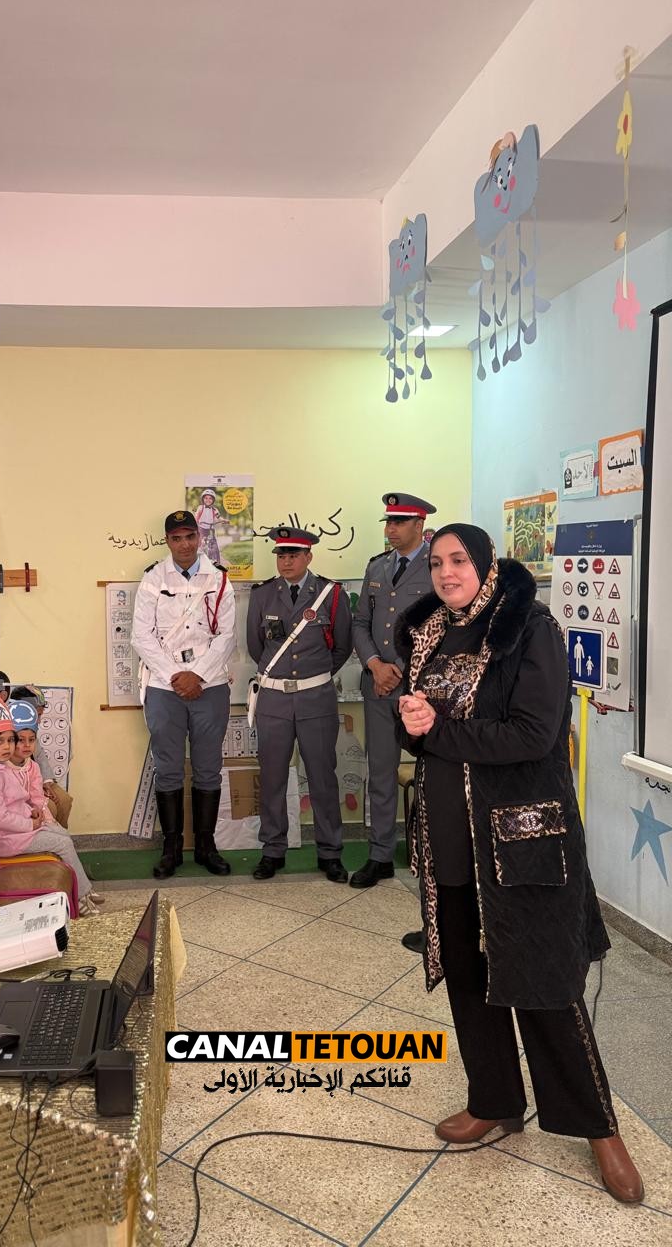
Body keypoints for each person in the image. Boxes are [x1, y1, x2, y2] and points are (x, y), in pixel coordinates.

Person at [396, 522, 642, 1203]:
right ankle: (494, 1101)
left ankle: (600, 1130)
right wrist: (410, 722)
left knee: (544, 983)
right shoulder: (430, 635)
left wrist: (438, 733)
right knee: (469, 977)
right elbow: (420, 726)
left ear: (485, 564)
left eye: (459, 561)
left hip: (519, 838)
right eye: (437, 563)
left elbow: (535, 734)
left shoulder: (530, 629)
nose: (446, 573)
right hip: (448, 835)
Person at [131, 508, 236, 878]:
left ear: (199, 537)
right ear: (168, 541)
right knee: (168, 769)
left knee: (208, 768)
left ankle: (206, 847)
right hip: (164, 686)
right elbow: (140, 636)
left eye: (190, 536)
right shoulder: (152, 579)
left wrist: (198, 676)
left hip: (210, 685)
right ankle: (171, 848)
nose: (185, 544)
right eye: (177, 538)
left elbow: (227, 636)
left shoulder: (219, 579)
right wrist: (177, 675)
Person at [246, 526, 352, 881]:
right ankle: (272, 850)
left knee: (322, 778)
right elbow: (256, 646)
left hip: (315, 699)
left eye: (293, 555)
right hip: (274, 700)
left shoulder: (330, 594)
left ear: (309, 557)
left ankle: (330, 852)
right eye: (281, 555)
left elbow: (342, 647)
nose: (286, 561)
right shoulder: (262, 595)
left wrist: (312, 675)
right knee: (272, 777)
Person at [350, 491, 437, 892]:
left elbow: (441, 627)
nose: (391, 529)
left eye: (399, 522)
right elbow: (360, 623)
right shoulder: (377, 566)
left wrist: (399, 668)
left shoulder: (437, 566)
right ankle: (381, 855)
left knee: (435, 773)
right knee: (381, 773)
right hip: (379, 687)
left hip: (421, 689)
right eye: (388, 522)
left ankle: (435, 852)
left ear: (419, 524)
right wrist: (374, 665)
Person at [0, 697, 101, 915]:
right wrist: (30, 824)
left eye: (10, 740)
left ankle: (81, 889)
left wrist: (32, 812)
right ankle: (81, 896)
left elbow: (16, 802)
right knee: (63, 843)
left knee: (62, 834)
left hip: (16, 831)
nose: (7, 747)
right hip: (5, 840)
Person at [9, 683, 74, 826]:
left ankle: (57, 834)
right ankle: (45, 833)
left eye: (40, 715)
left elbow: (40, 757)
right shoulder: (5, 736)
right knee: (50, 808)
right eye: (37, 715)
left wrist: (46, 782)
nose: (38, 721)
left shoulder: (31, 732)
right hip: (20, 787)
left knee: (64, 800)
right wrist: (36, 789)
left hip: (37, 779)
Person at [194, 487, 222, 563]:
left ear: (213, 500)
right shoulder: (200, 507)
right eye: (206, 498)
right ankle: (198, 558)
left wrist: (223, 520)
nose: (208, 500)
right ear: (203, 499)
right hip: (201, 528)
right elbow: (196, 516)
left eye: (210, 498)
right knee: (201, 543)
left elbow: (219, 517)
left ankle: (215, 560)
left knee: (214, 543)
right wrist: (196, 522)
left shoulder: (215, 509)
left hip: (210, 528)